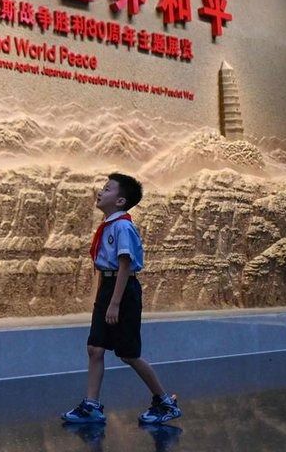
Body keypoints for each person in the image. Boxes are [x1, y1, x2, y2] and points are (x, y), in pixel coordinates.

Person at [62, 173, 183, 425]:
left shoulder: (122, 226)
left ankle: (165, 402)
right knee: (95, 348)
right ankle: (92, 405)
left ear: (120, 201)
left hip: (123, 289)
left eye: (107, 189)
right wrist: (102, 299)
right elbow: (105, 267)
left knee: (128, 354)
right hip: (108, 286)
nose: (100, 192)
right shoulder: (108, 225)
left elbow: (124, 263)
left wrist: (115, 302)